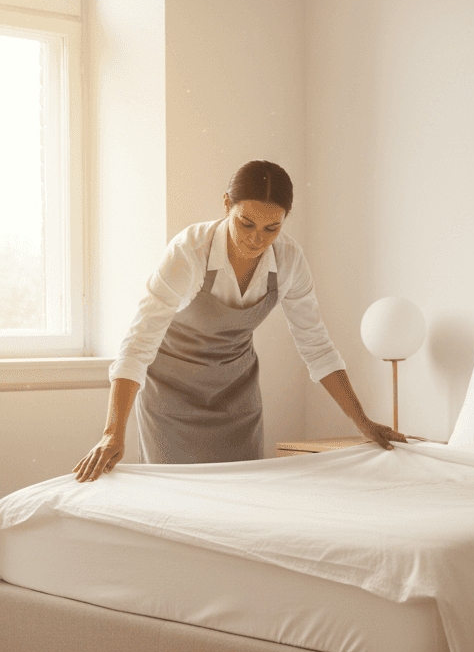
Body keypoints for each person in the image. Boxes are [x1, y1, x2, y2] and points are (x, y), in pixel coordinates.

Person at [73, 160, 403, 483]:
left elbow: (316, 347)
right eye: (246, 223)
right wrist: (112, 433)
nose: (256, 240)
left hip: (236, 395)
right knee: (175, 499)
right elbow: (138, 343)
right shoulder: (189, 252)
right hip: (170, 397)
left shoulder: (289, 260)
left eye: (271, 228)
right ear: (227, 204)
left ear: (285, 219)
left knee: (241, 497)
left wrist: (363, 422)